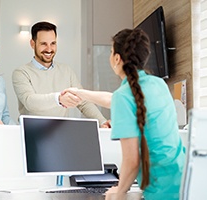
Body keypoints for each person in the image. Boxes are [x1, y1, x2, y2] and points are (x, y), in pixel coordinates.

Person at [64, 28, 185, 200]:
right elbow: (113, 98)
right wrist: (80, 93)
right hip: (186, 180)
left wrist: (119, 191)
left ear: (117, 59)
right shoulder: (159, 84)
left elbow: (132, 161)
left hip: (160, 190)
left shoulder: (125, 96)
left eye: (111, 51)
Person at [12, 21, 109, 127]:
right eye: (44, 44)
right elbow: (30, 102)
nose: (49, 49)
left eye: (53, 43)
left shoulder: (66, 71)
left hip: (61, 133)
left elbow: (83, 102)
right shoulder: (21, 73)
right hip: (31, 133)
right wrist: (59, 98)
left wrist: (102, 121)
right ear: (32, 44)